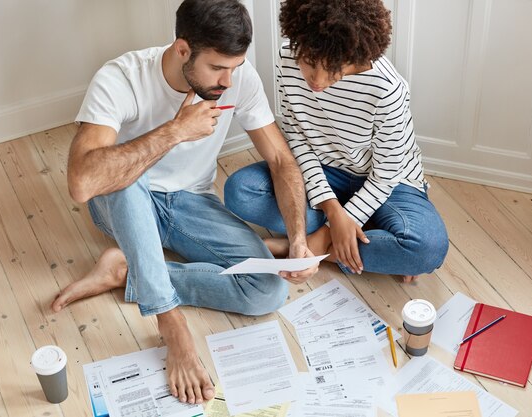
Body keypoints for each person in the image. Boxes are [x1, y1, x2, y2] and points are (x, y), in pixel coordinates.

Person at [50, 0, 318, 405]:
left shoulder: (237, 79)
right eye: (217, 67)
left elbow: (281, 160)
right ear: (182, 50)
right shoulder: (121, 77)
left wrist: (297, 237)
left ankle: (127, 272)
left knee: (267, 292)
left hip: (191, 203)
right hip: (123, 201)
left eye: (236, 66)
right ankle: (170, 322)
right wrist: (174, 132)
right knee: (124, 174)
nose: (228, 80)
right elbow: (82, 183)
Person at [225, 0, 449, 283]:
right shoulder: (286, 60)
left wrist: (325, 234)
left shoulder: (387, 89)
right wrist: (332, 208)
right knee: (240, 191)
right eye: (308, 62)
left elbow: (386, 174)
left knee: (427, 248)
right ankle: (361, 234)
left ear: (353, 55)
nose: (316, 80)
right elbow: (297, 140)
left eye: (332, 68)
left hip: (390, 184)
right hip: (325, 172)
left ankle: (308, 247)